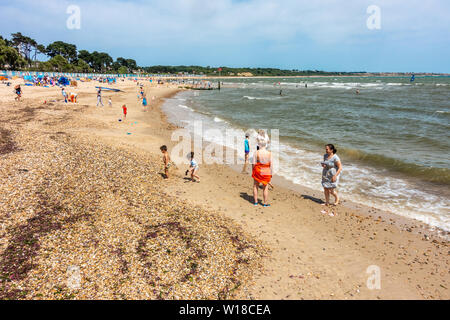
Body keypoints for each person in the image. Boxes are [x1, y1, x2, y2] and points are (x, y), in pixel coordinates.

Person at [252, 138, 272, 207]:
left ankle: (255, 202)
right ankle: (265, 203)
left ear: (259, 145)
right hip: (266, 171)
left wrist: (253, 171)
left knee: (255, 186)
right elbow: (271, 165)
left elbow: (253, 163)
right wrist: (271, 174)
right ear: (266, 145)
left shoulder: (256, 152)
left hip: (257, 170)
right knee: (265, 187)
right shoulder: (269, 153)